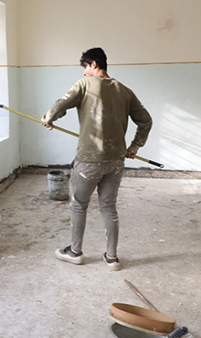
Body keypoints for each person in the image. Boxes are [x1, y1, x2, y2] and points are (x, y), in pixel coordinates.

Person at [41, 47, 152, 271]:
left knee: (79, 205)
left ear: (93, 64)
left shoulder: (84, 85)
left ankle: (75, 252)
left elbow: (61, 104)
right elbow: (146, 120)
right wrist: (134, 147)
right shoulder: (124, 91)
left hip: (89, 161)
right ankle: (112, 257)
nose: (84, 72)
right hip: (116, 160)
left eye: (85, 67)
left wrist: (48, 118)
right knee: (109, 207)